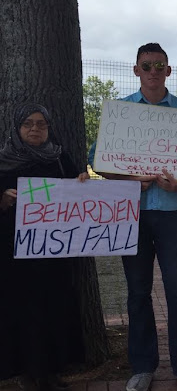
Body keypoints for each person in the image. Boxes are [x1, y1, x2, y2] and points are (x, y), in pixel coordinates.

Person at [88, 43, 177, 391]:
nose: (153, 70)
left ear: (168, 71)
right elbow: (99, 162)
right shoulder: (120, 113)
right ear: (136, 70)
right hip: (133, 216)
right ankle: (142, 367)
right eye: (147, 65)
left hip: (173, 216)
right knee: (137, 293)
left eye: (159, 65)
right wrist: (130, 180)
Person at [0, 103, 89, 391]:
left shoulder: (60, 158)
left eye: (41, 124)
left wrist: (81, 182)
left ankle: (51, 370)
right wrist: (2, 200)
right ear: (17, 128)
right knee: (23, 309)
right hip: (15, 252)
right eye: (28, 124)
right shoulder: (4, 159)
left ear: (49, 128)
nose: (35, 129)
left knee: (54, 307)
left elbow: (79, 190)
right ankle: (27, 370)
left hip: (54, 250)